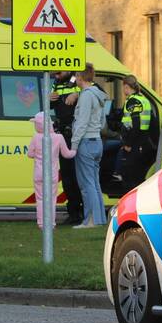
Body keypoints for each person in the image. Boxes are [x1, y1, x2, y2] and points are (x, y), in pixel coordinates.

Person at [70, 65, 109, 227]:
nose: (75, 78)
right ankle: (99, 219)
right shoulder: (98, 95)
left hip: (85, 142)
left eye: (77, 75)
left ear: (80, 76)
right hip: (97, 141)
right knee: (94, 182)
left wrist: (74, 144)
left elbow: (82, 122)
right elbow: (102, 122)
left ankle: (90, 220)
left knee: (87, 184)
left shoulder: (86, 96)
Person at [26, 112, 75, 230]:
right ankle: (51, 224)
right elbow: (67, 154)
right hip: (52, 173)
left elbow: (30, 154)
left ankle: (41, 223)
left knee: (40, 199)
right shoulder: (58, 137)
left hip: (38, 173)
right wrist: (75, 149)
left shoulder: (36, 137)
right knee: (52, 199)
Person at [50, 70, 83, 225]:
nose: (55, 75)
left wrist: (78, 95)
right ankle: (73, 212)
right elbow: (50, 105)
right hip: (62, 135)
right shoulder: (56, 83)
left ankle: (81, 212)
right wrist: (48, 99)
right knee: (67, 176)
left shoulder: (78, 80)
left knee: (77, 176)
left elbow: (97, 94)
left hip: (76, 136)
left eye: (58, 72)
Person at [118, 75, 158, 193]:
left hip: (134, 143)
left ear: (126, 86)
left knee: (129, 178)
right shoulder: (143, 99)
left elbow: (136, 124)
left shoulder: (132, 101)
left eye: (123, 87)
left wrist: (128, 144)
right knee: (138, 177)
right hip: (143, 142)